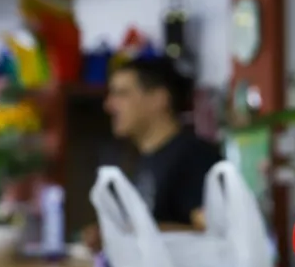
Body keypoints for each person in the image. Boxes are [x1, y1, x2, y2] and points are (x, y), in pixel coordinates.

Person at [82, 57, 221, 252]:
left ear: (159, 99)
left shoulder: (194, 156)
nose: (109, 105)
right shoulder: (142, 159)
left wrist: (128, 234)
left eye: (122, 94)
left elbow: (212, 233)